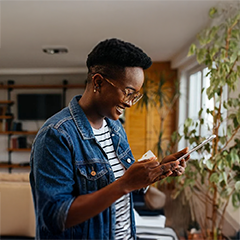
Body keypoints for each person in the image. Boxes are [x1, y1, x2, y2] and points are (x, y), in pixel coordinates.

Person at [30, 38, 189, 240]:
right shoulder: (56, 135)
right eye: (128, 93)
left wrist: (156, 171)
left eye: (136, 96)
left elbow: (123, 179)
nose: (131, 103)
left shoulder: (115, 127)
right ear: (98, 82)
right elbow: (54, 218)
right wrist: (124, 185)